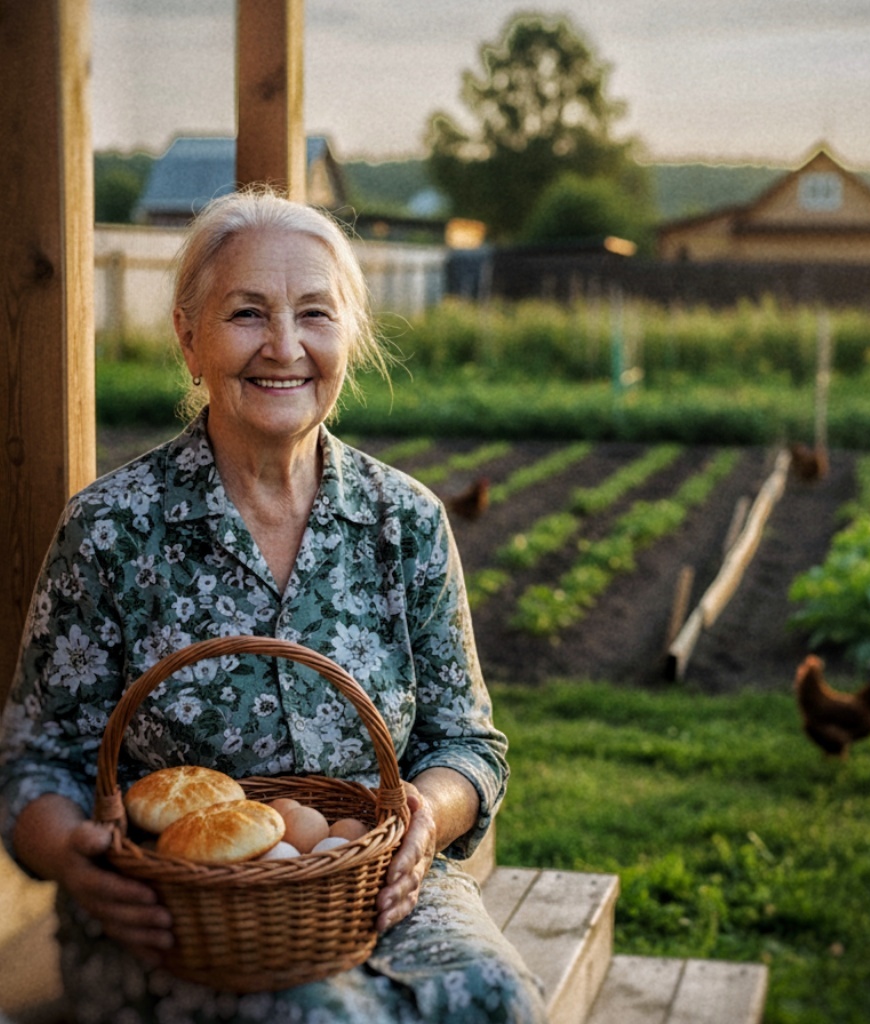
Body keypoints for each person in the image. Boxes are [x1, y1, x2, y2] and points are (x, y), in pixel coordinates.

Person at [0, 186, 547, 1024]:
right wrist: (73, 860)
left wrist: (424, 820)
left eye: (315, 315)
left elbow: (468, 743)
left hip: (383, 889)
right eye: (247, 314)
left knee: (498, 999)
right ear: (190, 337)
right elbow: (36, 761)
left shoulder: (406, 522)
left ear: (349, 338)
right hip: (181, 910)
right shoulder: (112, 528)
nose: (284, 348)